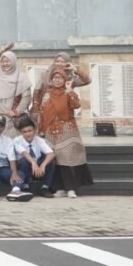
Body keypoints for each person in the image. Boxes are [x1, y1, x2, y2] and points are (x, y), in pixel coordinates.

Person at [38, 66, 93, 198]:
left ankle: (71, 189)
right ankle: (59, 188)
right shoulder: (47, 94)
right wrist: (41, 130)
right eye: (55, 78)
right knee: (56, 160)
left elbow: (76, 105)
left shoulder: (68, 92)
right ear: (51, 80)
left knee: (67, 159)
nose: (57, 80)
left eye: (60, 78)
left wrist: (69, 90)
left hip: (67, 130)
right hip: (51, 130)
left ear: (64, 79)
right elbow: (42, 113)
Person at [0, 51, 30, 136]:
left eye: (8, 61)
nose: (5, 64)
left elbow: (26, 97)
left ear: (13, 61)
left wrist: (16, 111)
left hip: (13, 119)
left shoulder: (22, 77)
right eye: (3, 61)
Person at [14, 116, 56, 198]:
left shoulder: (39, 140)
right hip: (25, 169)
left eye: (30, 131)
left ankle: (45, 187)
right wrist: (33, 162)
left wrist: (43, 165)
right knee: (24, 161)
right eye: (24, 132)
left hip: (38, 169)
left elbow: (51, 153)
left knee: (50, 161)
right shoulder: (17, 140)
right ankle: (26, 186)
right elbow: (24, 153)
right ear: (20, 132)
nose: (28, 134)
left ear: (34, 130)